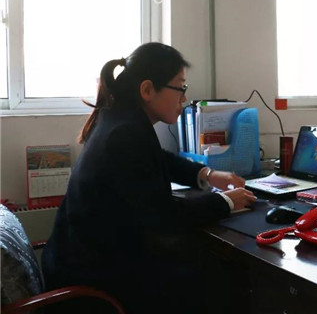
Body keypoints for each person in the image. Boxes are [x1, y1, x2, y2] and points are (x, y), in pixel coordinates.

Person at [42, 42, 256, 313]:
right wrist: (226, 201)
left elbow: (158, 158)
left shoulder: (118, 120)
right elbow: (163, 215)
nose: (184, 98)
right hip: (96, 285)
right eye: (180, 87)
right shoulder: (125, 133)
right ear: (147, 90)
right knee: (220, 279)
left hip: (86, 263)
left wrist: (207, 174)